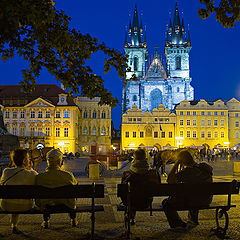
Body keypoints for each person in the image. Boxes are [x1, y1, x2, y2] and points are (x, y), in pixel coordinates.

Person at [162, 150, 213, 232]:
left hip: (193, 201)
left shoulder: (187, 172)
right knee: (195, 194)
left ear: (182, 161)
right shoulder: (205, 167)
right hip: (207, 199)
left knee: (166, 203)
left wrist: (176, 164)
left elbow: (170, 180)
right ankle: (193, 220)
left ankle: (178, 225)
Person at [35, 149, 78, 228]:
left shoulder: (40, 177)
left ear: (48, 162)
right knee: (72, 197)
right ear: (60, 162)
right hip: (66, 204)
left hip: (46, 205)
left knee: (46, 200)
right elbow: (76, 187)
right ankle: (73, 219)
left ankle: (46, 221)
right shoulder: (68, 176)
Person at [0, 149, 37, 234]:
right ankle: (14, 225)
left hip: (6, 204)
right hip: (25, 206)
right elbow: (37, 180)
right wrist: (30, 168)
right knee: (18, 200)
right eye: (28, 158)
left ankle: (14, 225)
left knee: (12, 198)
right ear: (24, 161)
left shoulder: (6, 171)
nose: (29, 160)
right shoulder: (32, 174)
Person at [121, 148, 161, 225]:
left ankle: (130, 217)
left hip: (130, 202)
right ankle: (131, 217)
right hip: (146, 201)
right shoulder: (153, 173)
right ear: (146, 158)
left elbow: (123, 191)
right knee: (136, 194)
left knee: (131, 195)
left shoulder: (126, 174)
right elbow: (158, 187)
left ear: (134, 159)